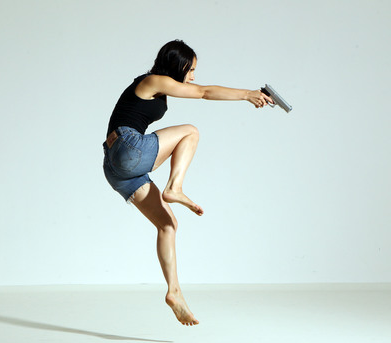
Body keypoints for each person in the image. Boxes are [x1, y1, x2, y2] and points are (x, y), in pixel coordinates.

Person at [103, 40, 272, 326]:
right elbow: (204, 92)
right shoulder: (153, 80)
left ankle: (174, 292)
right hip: (128, 148)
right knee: (190, 132)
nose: (193, 75)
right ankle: (174, 187)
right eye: (191, 69)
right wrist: (247, 94)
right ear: (177, 64)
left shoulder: (158, 86)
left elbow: (198, 88)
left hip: (116, 167)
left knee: (168, 225)